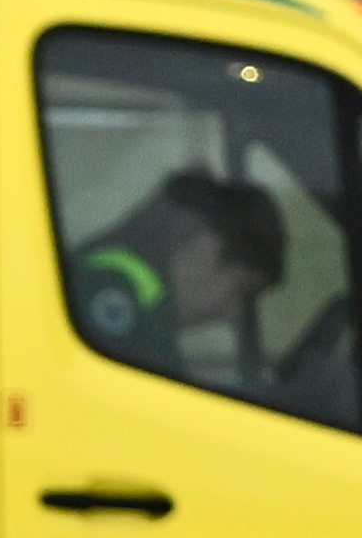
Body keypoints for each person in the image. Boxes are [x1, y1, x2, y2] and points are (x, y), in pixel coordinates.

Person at [69, 168, 291, 392]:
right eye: (239, 293)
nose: (234, 316)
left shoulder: (126, 288)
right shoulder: (118, 290)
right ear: (208, 250)